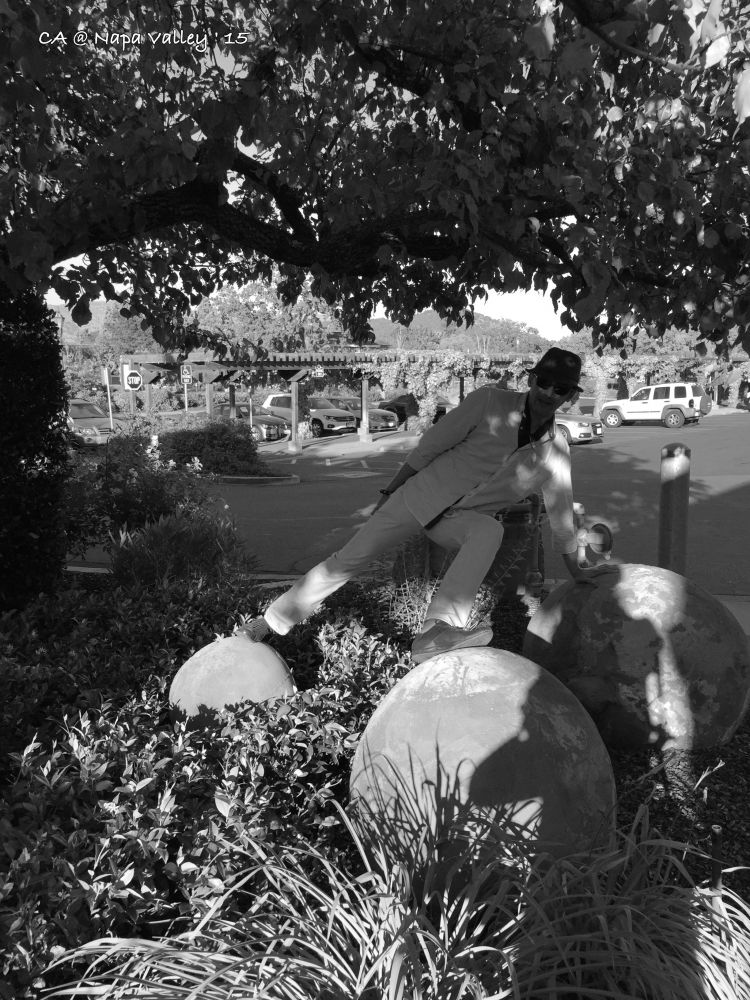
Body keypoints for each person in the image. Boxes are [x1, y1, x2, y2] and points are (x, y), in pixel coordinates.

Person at [240, 347, 596, 662]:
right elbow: (430, 446)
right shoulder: (489, 402)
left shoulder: (555, 451)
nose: (548, 392)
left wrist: (578, 572)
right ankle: (270, 621)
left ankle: (437, 630)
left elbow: (561, 515)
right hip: (418, 497)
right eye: (543, 382)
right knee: (348, 559)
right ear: (531, 380)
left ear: (570, 396)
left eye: (560, 388)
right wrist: (390, 492)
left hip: (460, 519)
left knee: (489, 530)